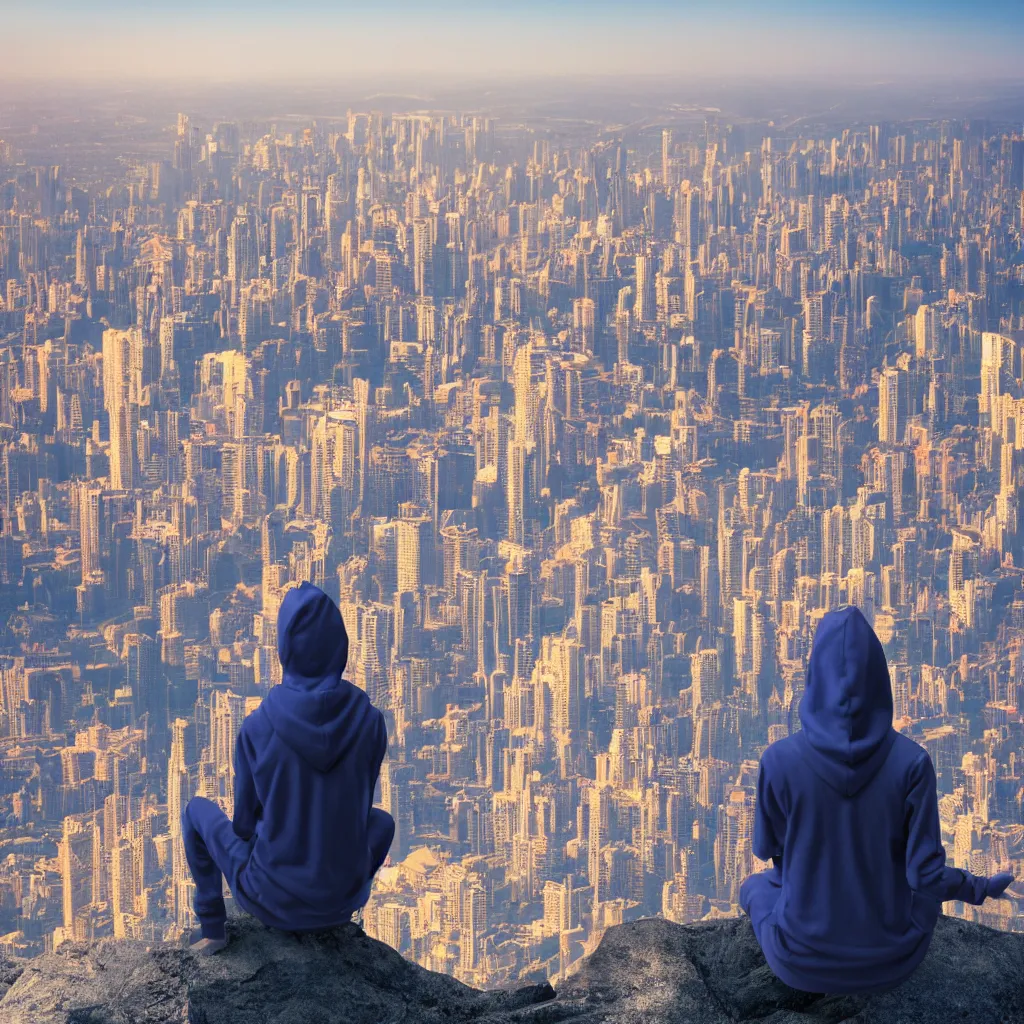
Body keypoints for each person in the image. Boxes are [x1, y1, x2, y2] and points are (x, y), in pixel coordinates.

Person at [741, 605, 1014, 994]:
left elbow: (769, 850)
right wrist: (978, 887)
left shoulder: (778, 761)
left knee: (755, 888)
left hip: (799, 960)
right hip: (892, 960)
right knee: (921, 901)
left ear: (813, 678)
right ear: (879, 680)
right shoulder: (913, 763)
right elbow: (924, 876)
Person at [182, 581, 394, 955]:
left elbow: (243, 827)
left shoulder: (258, 726)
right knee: (383, 823)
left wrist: (280, 820)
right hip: (341, 899)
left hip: (271, 900)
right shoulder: (371, 722)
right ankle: (335, 903)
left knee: (195, 813)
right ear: (338, 646)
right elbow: (358, 813)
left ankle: (213, 929)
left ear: (286, 649)